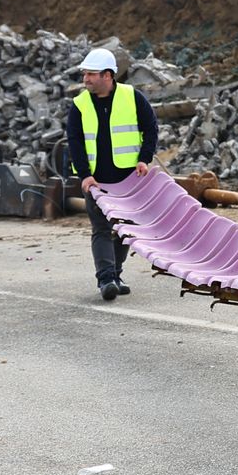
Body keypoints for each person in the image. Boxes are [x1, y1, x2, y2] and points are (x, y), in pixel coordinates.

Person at [65, 46, 160, 301]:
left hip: (128, 179)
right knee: (101, 228)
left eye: (91, 74)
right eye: (84, 73)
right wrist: (84, 174)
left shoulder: (132, 97)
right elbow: (74, 142)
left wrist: (144, 159)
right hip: (96, 180)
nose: (85, 79)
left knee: (123, 229)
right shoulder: (80, 105)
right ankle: (106, 279)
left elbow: (151, 128)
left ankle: (116, 274)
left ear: (107, 75)